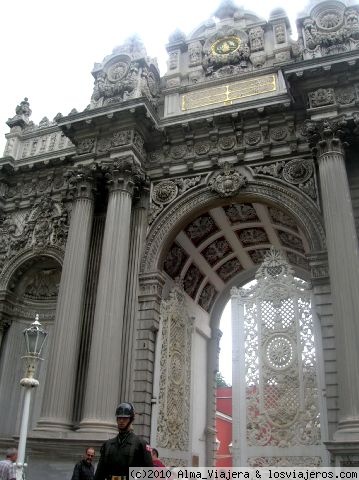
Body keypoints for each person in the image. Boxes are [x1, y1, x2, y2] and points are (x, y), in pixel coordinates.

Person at [94, 402, 153, 480]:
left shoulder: (141, 444)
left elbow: (149, 474)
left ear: (131, 419)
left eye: (125, 418)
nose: (121, 421)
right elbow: (99, 473)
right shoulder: (108, 445)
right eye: (119, 418)